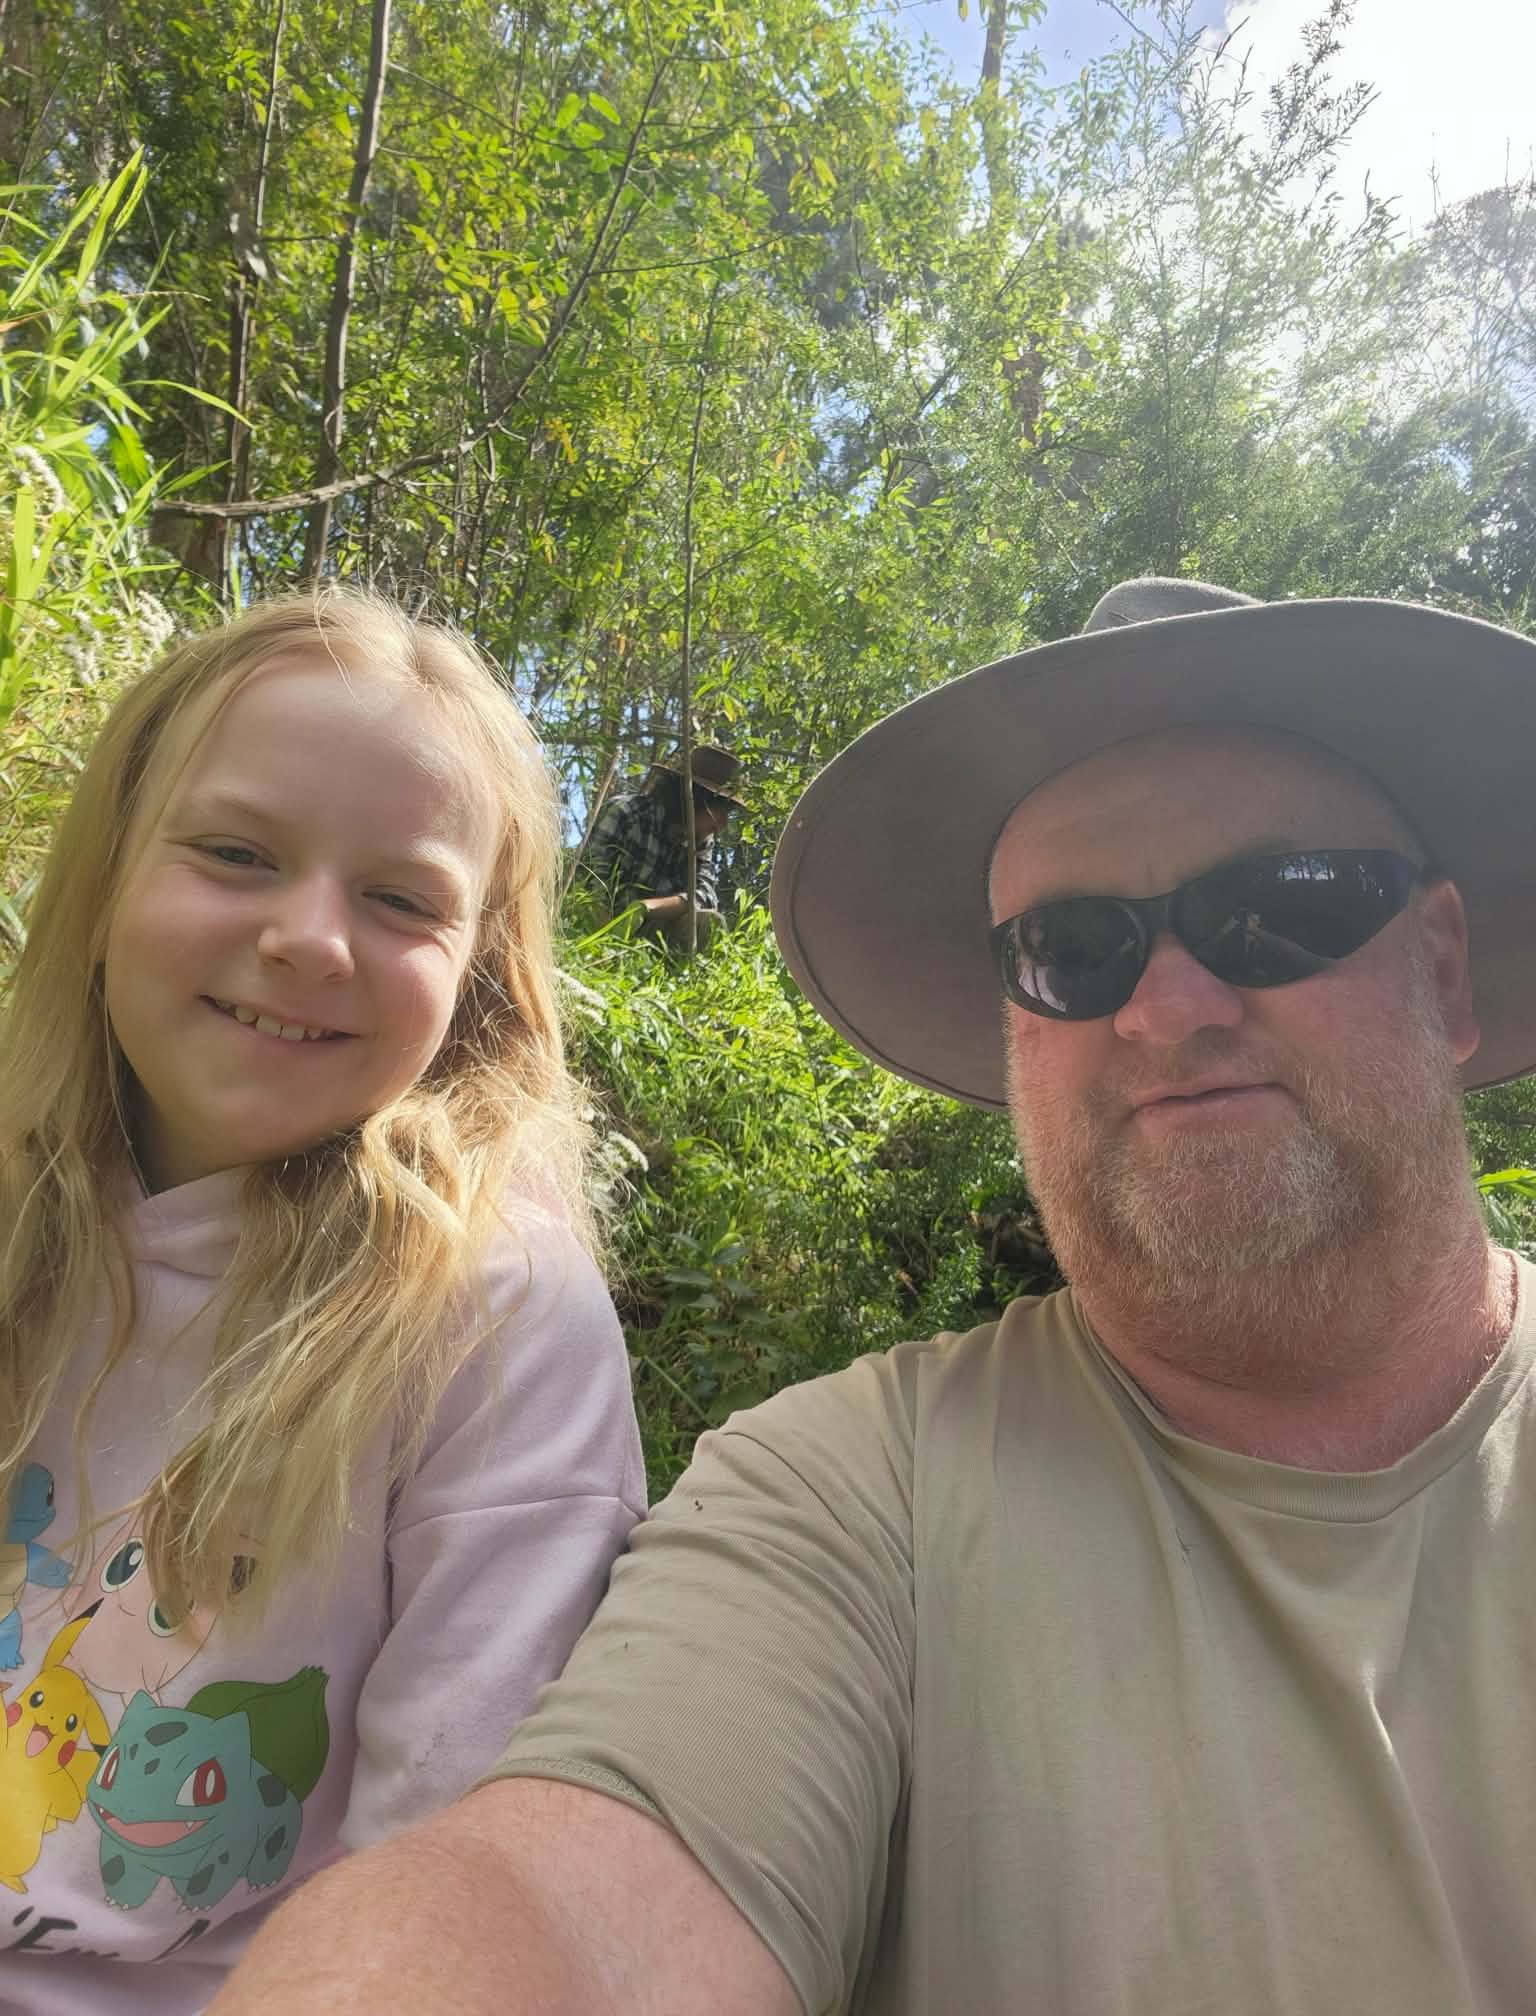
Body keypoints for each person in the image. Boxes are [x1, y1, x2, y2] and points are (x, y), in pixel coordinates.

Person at [211, 578, 1536, 2015]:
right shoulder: (853, 1498)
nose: (1166, 1007)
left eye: (1275, 909)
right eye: (1071, 949)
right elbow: (563, 1901)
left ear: (1446, 967)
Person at [0, 588, 645, 2011]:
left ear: (478, 979)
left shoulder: (492, 1316)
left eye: (401, 900)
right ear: (101, 887)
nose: (309, 938)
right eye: (237, 853)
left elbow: (451, 1868)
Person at [582, 744, 747, 941]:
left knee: (710, 922)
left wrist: (646, 908)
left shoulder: (701, 841)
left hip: (660, 932)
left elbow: (705, 895)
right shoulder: (626, 814)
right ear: (694, 799)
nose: (723, 824)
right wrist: (603, 942)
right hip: (606, 925)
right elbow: (592, 885)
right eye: (720, 811)